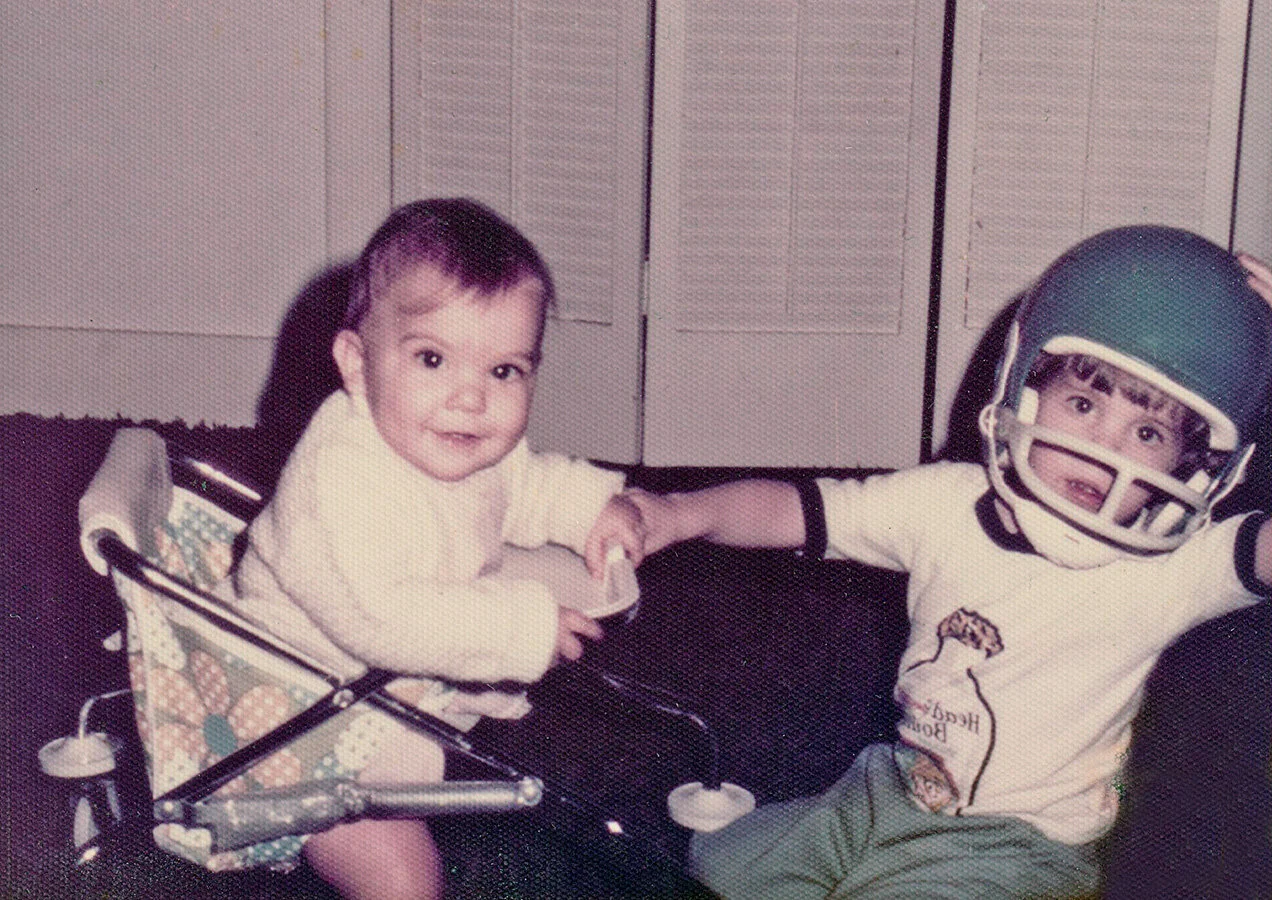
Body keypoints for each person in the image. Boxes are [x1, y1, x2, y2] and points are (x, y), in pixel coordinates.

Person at [624, 227, 1272, 898]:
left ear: (1199, 468)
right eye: (1083, 404)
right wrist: (680, 513)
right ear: (1023, 391)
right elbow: (797, 508)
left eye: (1147, 433)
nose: (1102, 449)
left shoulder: (1174, 571)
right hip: (892, 785)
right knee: (723, 865)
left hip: (1023, 843)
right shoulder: (944, 503)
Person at [230, 198, 643, 900]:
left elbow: (521, 484)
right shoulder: (340, 475)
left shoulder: (444, 431)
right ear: (357, 365)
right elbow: (381, 618)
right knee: (405, 880)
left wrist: (587, 507)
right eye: (432, 358)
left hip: (380, 686)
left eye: (505, 371)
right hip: (307, 721)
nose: (471, 399)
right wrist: (521, 627)